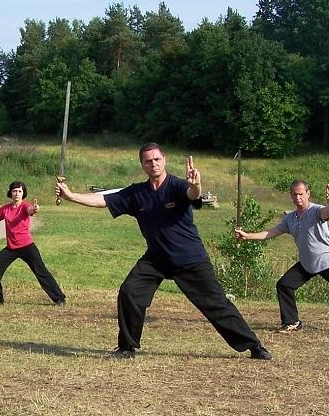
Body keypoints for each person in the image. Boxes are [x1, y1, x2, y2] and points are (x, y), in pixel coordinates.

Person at [54, 143, 272, 360]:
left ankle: (253, 346)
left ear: (164, 160)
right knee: (130, 291)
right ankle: (126, 347)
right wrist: (71, 196)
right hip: (156, 259)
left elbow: (193, 195)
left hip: (189, 259)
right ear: (143, 165)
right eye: (148, 161)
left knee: (216, 304)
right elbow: (104, 200)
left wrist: (196, 184)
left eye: (157, 159)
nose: (153, 164)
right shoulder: (137, 193)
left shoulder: (178, 186)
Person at [235, 180, 329, 336]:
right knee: (284, 285)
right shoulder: (290, 218)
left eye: (301, 194)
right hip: (307, 264)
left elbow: (327, 211)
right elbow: (271, 233)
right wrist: (247, 236)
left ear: (308, 194)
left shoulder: (316, 211)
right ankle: (292, 322)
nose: (298, 197)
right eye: (295, 194)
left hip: (328, 261)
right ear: (291, 196)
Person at [0, 181, 66, 307]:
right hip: (11, 248)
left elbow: (30, 210)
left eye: (20, 191)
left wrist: (35, 209)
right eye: (14, 191)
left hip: (27, 246)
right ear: (11, 193)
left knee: (41, 271)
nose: (17, 193)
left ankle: (59, 298)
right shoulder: (5, 209)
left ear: (23, 194)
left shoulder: (25, 207)